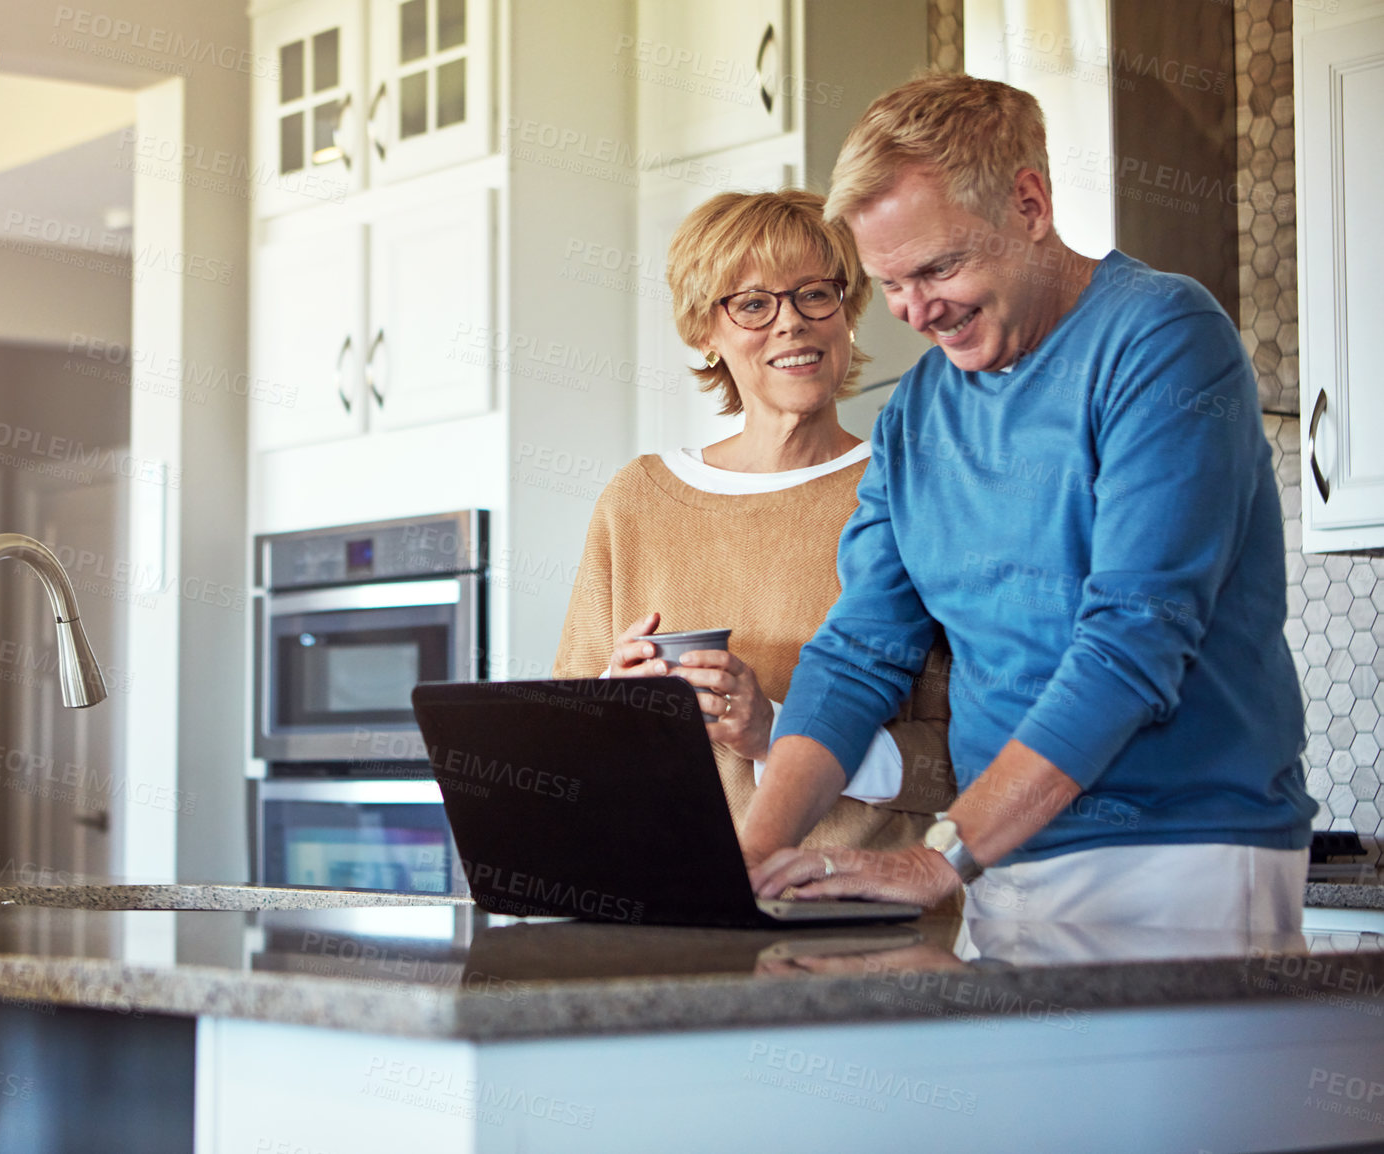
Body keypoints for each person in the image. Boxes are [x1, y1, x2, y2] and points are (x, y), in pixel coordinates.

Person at [743, 74, 1315, 931]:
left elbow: (1133, 639)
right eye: (890, 283)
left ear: (1030, 203)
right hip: (998, 860)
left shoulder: (1162, 339)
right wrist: (748, 856)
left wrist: (941, 855)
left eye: (939, 267)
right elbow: (862, 649)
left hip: (1178, 855)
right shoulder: (918, 411)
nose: (915, 311)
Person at [554, 189, 954, 854]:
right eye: (752, 303)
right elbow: (561, 749)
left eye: (814, 294)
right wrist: (611, 708)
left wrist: (776, 732)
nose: (790, 322)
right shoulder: (637, 499)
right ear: (704, 332)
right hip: (667, 907)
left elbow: (951, 763)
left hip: (856, 921)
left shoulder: (911, 493)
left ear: (848, 311)